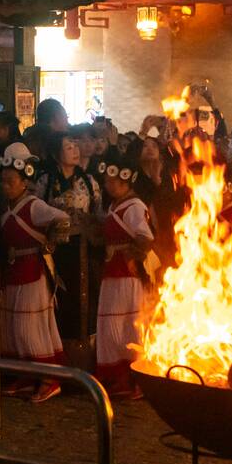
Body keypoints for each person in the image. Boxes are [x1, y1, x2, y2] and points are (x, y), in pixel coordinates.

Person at [0, 143, 69, 402]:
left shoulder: (35, 206)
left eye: (10, 181)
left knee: (30, 326)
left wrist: (50, 242)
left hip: (33, 272)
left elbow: (62, 218)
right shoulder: (6, 207)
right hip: (13, 270)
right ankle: (25, 373)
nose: (5, 186)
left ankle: (50, 378)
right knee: (13, 326)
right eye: (3, 181)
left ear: (24, 182)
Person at [95, 155, 153, 398]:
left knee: (127, 324)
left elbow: (146, 238)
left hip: (126, 277)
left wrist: (128, 254)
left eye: (113, 181)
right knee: (110, 324)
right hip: (112, 273)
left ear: (126, 182)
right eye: (107, 181)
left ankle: (134, 378)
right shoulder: (114, 206)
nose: (108, 185)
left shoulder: (134, 207)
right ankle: (117, 375)